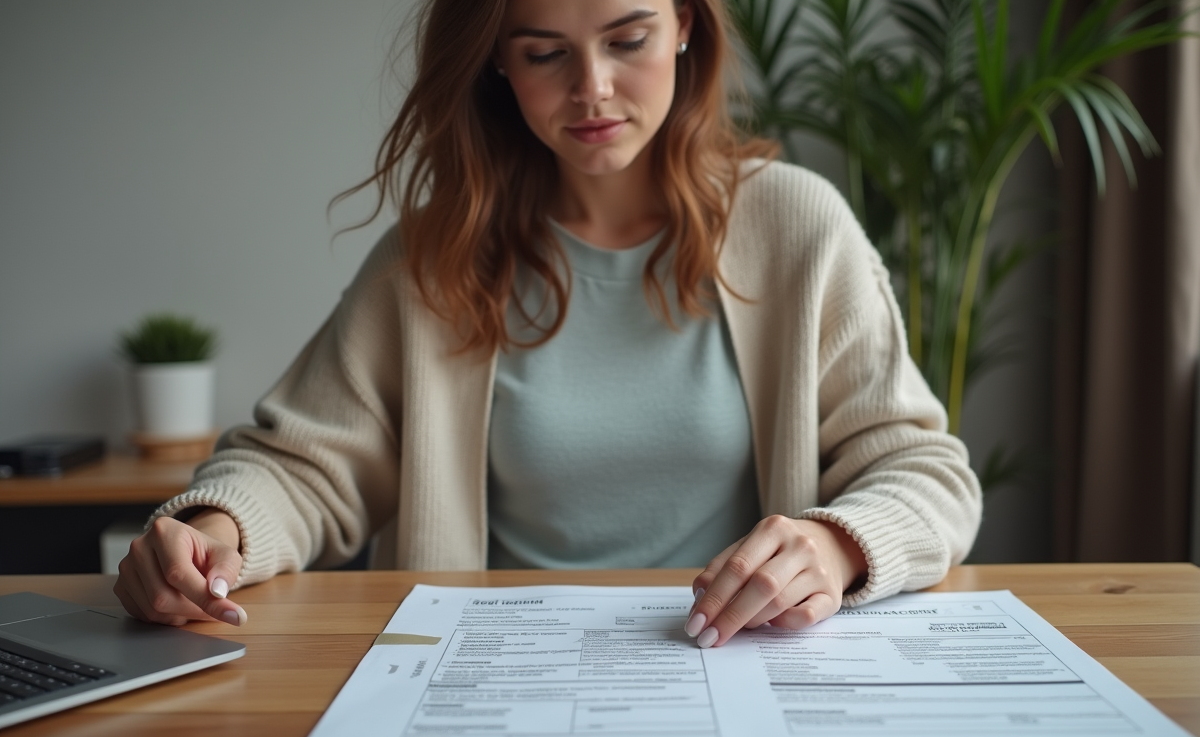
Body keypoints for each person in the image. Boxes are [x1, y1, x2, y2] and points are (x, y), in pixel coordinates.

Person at [113, 0, 981, 649]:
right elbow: (304, 468)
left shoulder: (799, 227)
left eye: (629, 39)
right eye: (544, 53)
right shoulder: (431, 257)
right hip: (492, 668)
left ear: (685, 26)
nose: (592, 89)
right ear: (497, 59)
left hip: (730, 662)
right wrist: (214, 534)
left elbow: (925, 473)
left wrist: (834, 545)